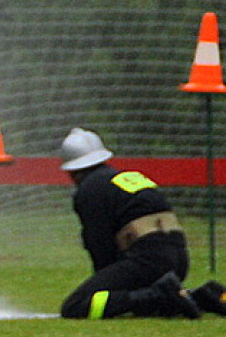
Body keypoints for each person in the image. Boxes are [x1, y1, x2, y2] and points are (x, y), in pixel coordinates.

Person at [58, 127, 226, 319]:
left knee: (75, 305)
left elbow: (99, 242)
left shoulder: (89, 189)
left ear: (71, 170)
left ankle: (159, 294)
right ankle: (206, 296)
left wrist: (105, 282)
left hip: (147, 262)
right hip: (178, 260)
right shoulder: (124, 178)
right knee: (141, 300)